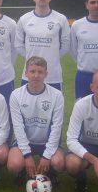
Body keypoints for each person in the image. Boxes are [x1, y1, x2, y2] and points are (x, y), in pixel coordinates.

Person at [7, 56, 65, 185]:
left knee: (59, 163)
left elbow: (57, 128)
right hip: (25, 142)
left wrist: (47, 156)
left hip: (47, 142)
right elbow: (18, 128)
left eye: (40, 72)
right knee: (13, 164)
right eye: (32, 71)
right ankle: (22, 170)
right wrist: (27, 156)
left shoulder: (56, 95)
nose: (36, 75)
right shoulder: (16, 95)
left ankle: (51, 171)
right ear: (26, 73)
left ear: (46, 74)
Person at [15, 0, 70, 91]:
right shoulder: (24, 19)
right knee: (27, 107)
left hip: (53, 77)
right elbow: (18, 45)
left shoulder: (61, 19)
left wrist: (53, 56)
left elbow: (66, 45)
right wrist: (32, 59)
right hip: (29, 76)